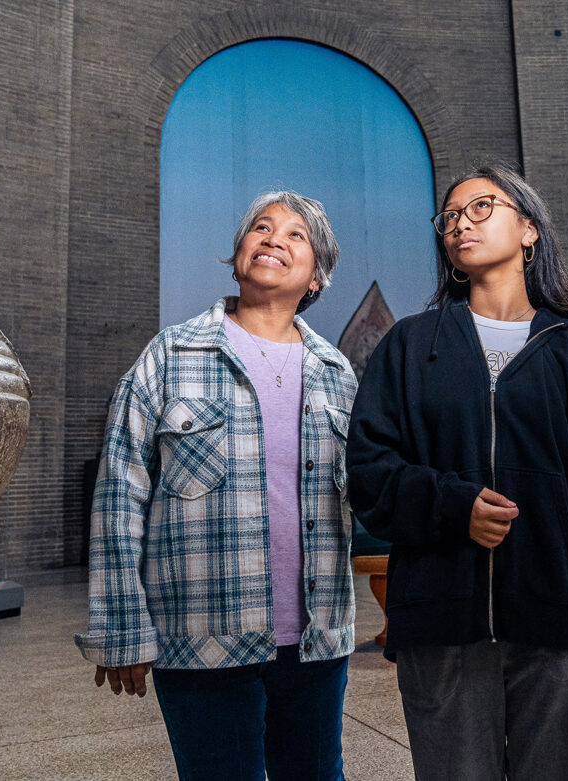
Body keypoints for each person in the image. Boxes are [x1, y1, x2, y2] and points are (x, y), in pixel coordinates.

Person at [346, 163, 568, 781]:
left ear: (529, 230)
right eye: (450, 217)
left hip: (558, 621)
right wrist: (451, 505)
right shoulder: (411, 345)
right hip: (442, 624)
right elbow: (368, 472)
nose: (461, 223)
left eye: (481, 207)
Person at [75, 191, 358, 781]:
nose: (274, 238)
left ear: (317, 275)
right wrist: (122, 626)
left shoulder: (337, 373)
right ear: (236, 257)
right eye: (260, 227)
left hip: (316, 641)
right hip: (201, 637)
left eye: (296, 234)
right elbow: (118, 494)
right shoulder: (170, 356)